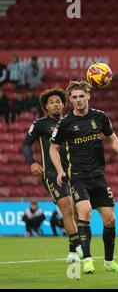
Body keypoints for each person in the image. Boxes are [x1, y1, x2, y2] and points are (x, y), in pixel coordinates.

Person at [50, 80, 118, 274]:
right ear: (70, 100)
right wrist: (60, 170)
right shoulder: (65, 123)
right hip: (78, 176)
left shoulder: (100, 117)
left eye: (82, 96)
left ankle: (109, 262)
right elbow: (53, 149)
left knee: (110, 220)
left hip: (98, 175)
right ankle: (87, 259)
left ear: (88, 96)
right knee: (85, 211)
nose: (79, 100)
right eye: (75, 97)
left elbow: (113, 139)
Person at [22, 87, 83, 262]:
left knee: (78, 213)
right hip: (51, 174)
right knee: (68, 209)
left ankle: (72, 253)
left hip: (73, 172)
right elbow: (25, 145)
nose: (56, 105)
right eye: (52, 103)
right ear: (46, 107)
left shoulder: (71, 122)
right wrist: (32, 162)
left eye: (58, 102)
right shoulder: (40, 124)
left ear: (64, 105)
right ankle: (80, 248)